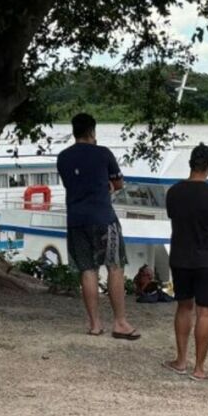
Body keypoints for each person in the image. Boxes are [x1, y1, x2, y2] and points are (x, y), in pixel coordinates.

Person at [57, 112, 139, 339]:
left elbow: (70, 184)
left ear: (74, 132)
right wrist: (108, 188)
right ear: (92, 131)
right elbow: (118, 183)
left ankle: (94, 324)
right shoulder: (103, 153)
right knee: (114, 266)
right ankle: (120, 322)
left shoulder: (63, 157)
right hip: (104, 218)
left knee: (87, 270)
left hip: (76, 220)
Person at [162, 144, 208, 381]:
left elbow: (175, 217)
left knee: (184, 308)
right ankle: (199, 368)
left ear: (190, 164)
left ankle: (180, 360)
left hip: (181, 257)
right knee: (205, 314)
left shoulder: (173, 193)